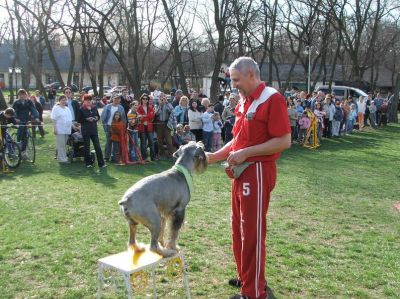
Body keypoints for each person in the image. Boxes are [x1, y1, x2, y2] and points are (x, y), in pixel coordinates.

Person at [206, 57, 291, 299]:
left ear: (252, 75)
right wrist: (215, 156)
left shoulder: (272, 99)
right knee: (238, 228)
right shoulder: (245, 101)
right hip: (241, 172)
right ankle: (247, 277)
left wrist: (246, 153)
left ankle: (253, 293)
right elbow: (238, 139)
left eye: (236, 80)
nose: (233, 85)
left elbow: (284, 140)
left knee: (251, 231)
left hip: (258, 172)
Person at [77, 94, 106, 168]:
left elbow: (98, 117)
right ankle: (88, 163)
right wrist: (86, 119)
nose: (89, 102)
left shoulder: (94, 108)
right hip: (86, 130)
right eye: (87, 100)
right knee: (87, 147)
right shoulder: (81, 109)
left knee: (97, 147)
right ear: (84, 101)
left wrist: (96, 118)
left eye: (90, 100)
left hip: (94, 130)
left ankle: (101, 163)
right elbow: (79, 120)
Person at [12, 89, 40, 159]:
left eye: (24, 94)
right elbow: (14, 111)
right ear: (19, 95)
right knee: (21, 130)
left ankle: (24, 152)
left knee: (26, 136)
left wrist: (36, 117)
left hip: (26, 120)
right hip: (19, 120)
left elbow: (33, 109)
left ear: (26, 94)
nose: (23, 95)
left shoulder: (29, 102)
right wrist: (15, 118)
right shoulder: (16, 102)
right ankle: (18, 142)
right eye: (21, 94)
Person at [101, 94, 127, 162]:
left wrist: (123, 127)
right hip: (109, 127)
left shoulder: (121, 107)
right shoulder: (107, 107)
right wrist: (105, 126)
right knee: (108, 142)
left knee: (116, 143)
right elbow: (103, 117)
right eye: (115, 98)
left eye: (118, 99)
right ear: (112, 99)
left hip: (117, 128)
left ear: (120, 100)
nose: (116, 100)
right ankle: (106, 157)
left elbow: (123, 118)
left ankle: (115, 158)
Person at [50, 95, 73, 163]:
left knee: (63, 144)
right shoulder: (56, 108)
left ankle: (62, 157)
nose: (64, 101)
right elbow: (53, 119)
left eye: (65, 100)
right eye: (62, 100)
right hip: (59, 129)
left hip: (67, 129)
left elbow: (70, 119)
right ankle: (62, 159)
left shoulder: (67, 108)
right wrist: (55, 128)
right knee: (61, 145)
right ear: (59, 101)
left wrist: (74, 126)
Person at [154, 92, 175, 160]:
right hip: (159, 124)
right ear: (159, 98)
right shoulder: (156, 104)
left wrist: (166, 103)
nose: (162, 98)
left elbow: (172, 111)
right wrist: (160, 105)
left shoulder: (169, 104)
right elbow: (156, 113)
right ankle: (161, 154)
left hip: (166, 124)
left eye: (163, 96)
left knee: (169, 140)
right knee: (159, 140)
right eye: (161, 96)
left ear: (166, 97)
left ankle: (171, 155)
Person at [137, 93, 156, 161]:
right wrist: (145, 118)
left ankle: (153, 157)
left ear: (148, 100)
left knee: (151, 143)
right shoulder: (138, 107)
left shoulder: (150, 107)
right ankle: (144, 158)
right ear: (141, 99)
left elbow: (152, 116)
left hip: (149, 127)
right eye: (143, 99)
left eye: (146, 99)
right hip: (142, 128)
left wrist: (144, 116)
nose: (145, 100)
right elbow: (139, 117)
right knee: (143, 144)